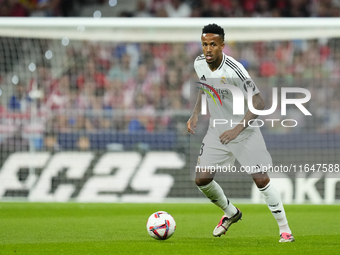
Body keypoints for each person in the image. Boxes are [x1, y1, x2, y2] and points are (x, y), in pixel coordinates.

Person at [187, 24, 294, 243]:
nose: (208, 49)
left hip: (244, 131)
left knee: (262, 180)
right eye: (205, 44)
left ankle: (285, 230)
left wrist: (237, 129)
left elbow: (259, 102)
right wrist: (195, 113)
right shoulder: (199, 63)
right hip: (218, 130)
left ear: (222, 46)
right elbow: (204, 88)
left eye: (213, 45)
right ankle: (230, 213)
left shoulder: (235, 70)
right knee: (202, 179)